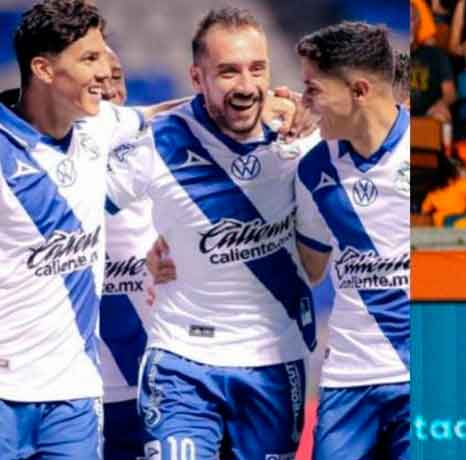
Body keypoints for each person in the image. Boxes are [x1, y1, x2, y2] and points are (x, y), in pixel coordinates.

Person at [106, 8, 321, 459]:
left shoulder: (299, 137)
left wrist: (320, 108)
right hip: (182, 364)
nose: (245, 85)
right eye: (228, 71)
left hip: (275, 365)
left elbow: (379, 130)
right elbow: (73, 203)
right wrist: (141, 250)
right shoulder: (157, 143)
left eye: (256, 69)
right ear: (197, 77)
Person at [0, 1, 147, 458]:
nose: (106, 71)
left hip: (76, 396)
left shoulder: (100, 124)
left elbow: (165, 114)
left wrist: (274, 104)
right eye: (89, 59)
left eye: (104, 55)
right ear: (42, 68)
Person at [293, 21, 410, 459]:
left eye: (313, 90)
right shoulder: (312, 167)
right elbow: (312, 267)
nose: (305, 103)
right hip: (348, 378)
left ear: (359, 91)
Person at [98, 46, 158, 460]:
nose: (108, 89)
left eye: (116, 76)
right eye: (97, 78)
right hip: (76, 387)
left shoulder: (161, 144)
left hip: (155, 379)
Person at [411, 0, 456, 122]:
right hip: (394, 115)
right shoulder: (386, 55)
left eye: (411, 20)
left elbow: (450, 93)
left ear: (419, 23)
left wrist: (441, 104)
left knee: (442, 115)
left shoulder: (436, 54)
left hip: (428, 112)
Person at [421, 154, 466, 227]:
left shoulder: (434, 189)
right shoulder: (465, 184)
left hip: (440, 226)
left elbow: (424, 210)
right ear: (455, 172)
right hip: (460, 223)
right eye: (462, 169)